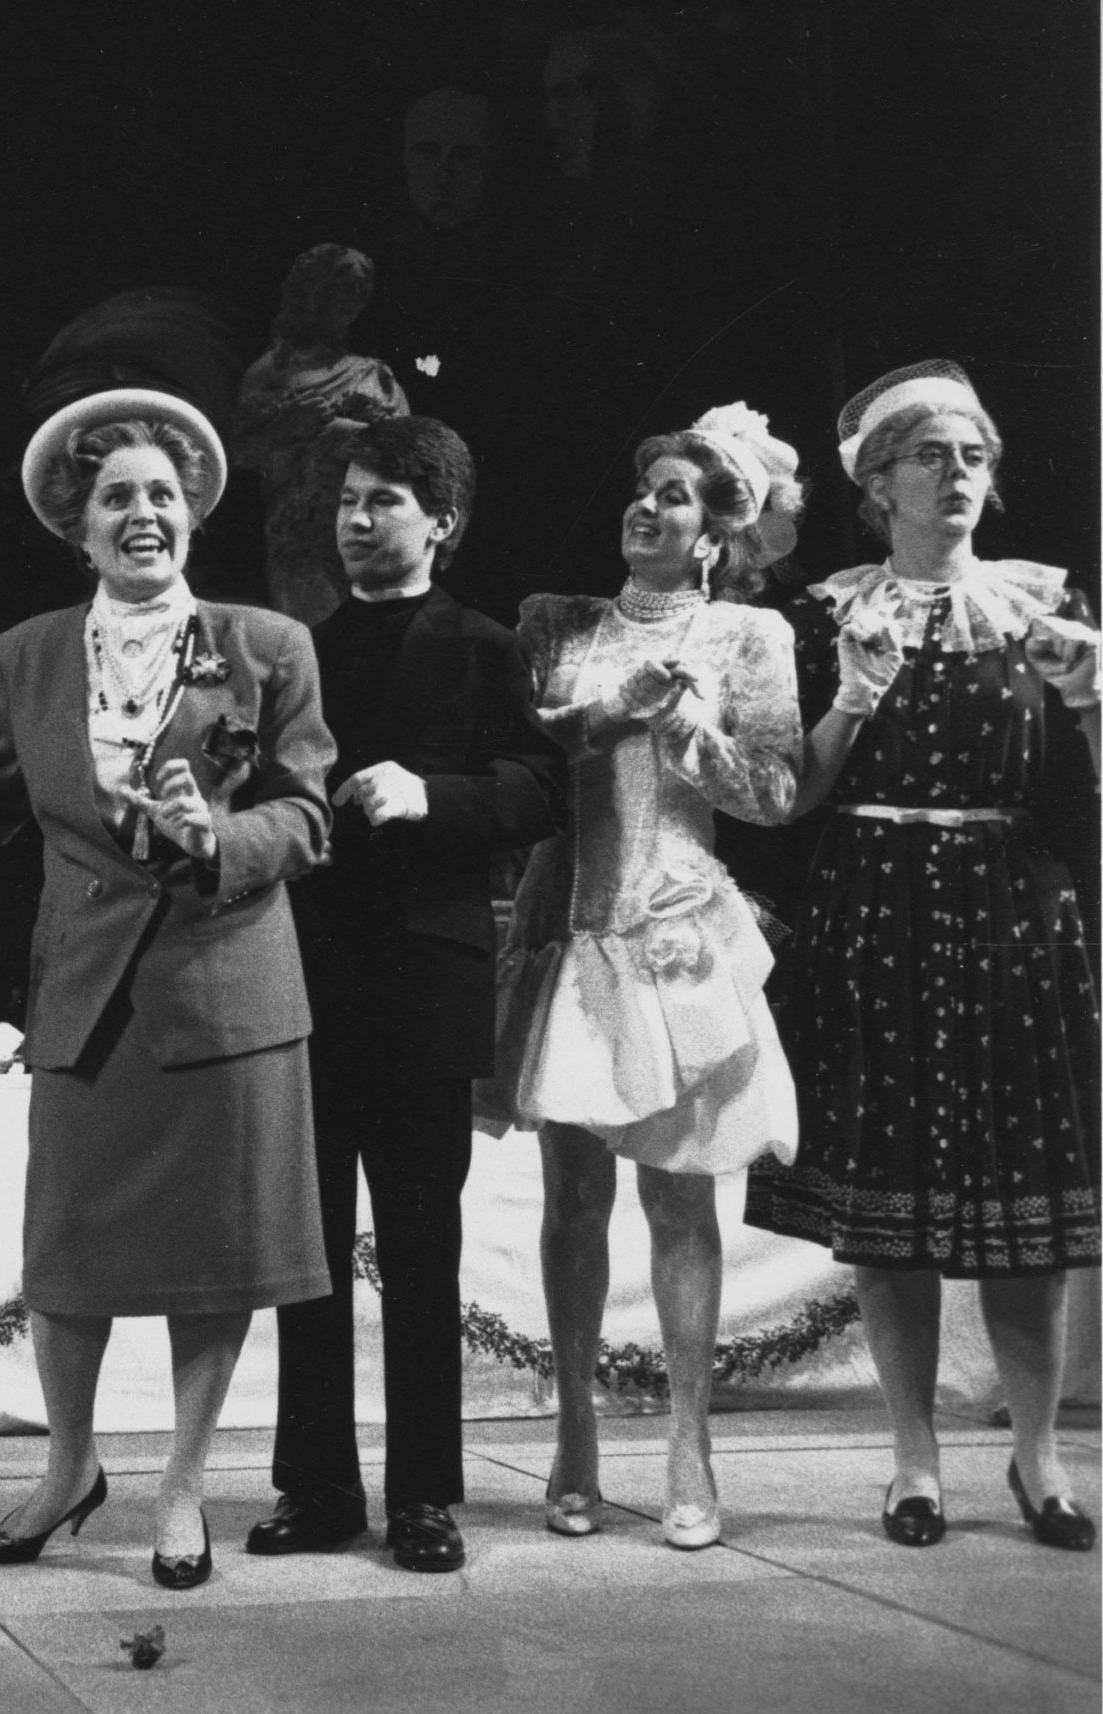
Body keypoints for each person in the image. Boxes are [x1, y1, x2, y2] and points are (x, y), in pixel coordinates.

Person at [0, 388, 333, 1590]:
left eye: (161, 496)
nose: (142, 514)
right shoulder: (22, 656)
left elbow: (307, 816)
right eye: (116, 496)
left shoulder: (265, 644)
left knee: (214, 1256)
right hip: (86, 990)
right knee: (66, 1251)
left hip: (222, 983)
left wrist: (214, 834)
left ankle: (182, 1487)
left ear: (192, 519)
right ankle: (68, 1463)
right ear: (77, 525)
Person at [746, 362, 1098, 1552]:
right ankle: (912, 1462)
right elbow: (788, 797)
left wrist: (1092, 708)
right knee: (888, 1213)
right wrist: (847, 701)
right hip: (874, 917)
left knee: (1027, 1211)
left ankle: (1039, 1456)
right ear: (877, 485)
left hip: (1005, 919)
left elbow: (1080, 811)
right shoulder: (824, 617)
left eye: (973, 458)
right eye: (931, 456)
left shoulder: (1047, 611)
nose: (956, 475)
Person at [482, 403, 806, 1550]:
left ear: (716, 533)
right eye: (644, 488)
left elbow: (771, 794)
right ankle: (572, 1432)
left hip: (673, 932)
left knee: (678, 1196)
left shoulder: (745, 641)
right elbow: (520, 748)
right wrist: (608, 709)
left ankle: (686, 1440)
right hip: (572, 929)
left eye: (676, 496)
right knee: (574, 1199)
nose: (648, 506)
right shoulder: (556, 626)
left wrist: (689, 739)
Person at [253, 416, 562, 1573]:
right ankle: (317, 1487)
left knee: (423, 1250)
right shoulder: (297, 646)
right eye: (347, 499)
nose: (355, 517)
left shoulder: (484, 645)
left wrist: (430, 795)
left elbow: (538, 790)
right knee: (310, 1249)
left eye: (381, 499)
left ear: (440, 519)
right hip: (310, 980)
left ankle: (426, 1496)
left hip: (424, 983)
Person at [230, 245, 411, 626]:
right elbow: (240, 455)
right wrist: (288, 428)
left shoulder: (374, 375)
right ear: (309, 292)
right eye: (339, 288)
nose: (348, 301)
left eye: (358, 292)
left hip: (372, 529)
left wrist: (362, 430)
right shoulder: (272, 373)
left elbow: (413, 455)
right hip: (303, 537)